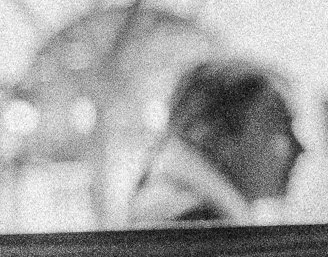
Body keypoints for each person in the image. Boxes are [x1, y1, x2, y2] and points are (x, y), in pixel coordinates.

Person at [125, 59, 304, 228]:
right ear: (217, 135)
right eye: (281, 129)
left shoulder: (179, 207)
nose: (300, 149)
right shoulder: (196, 223)